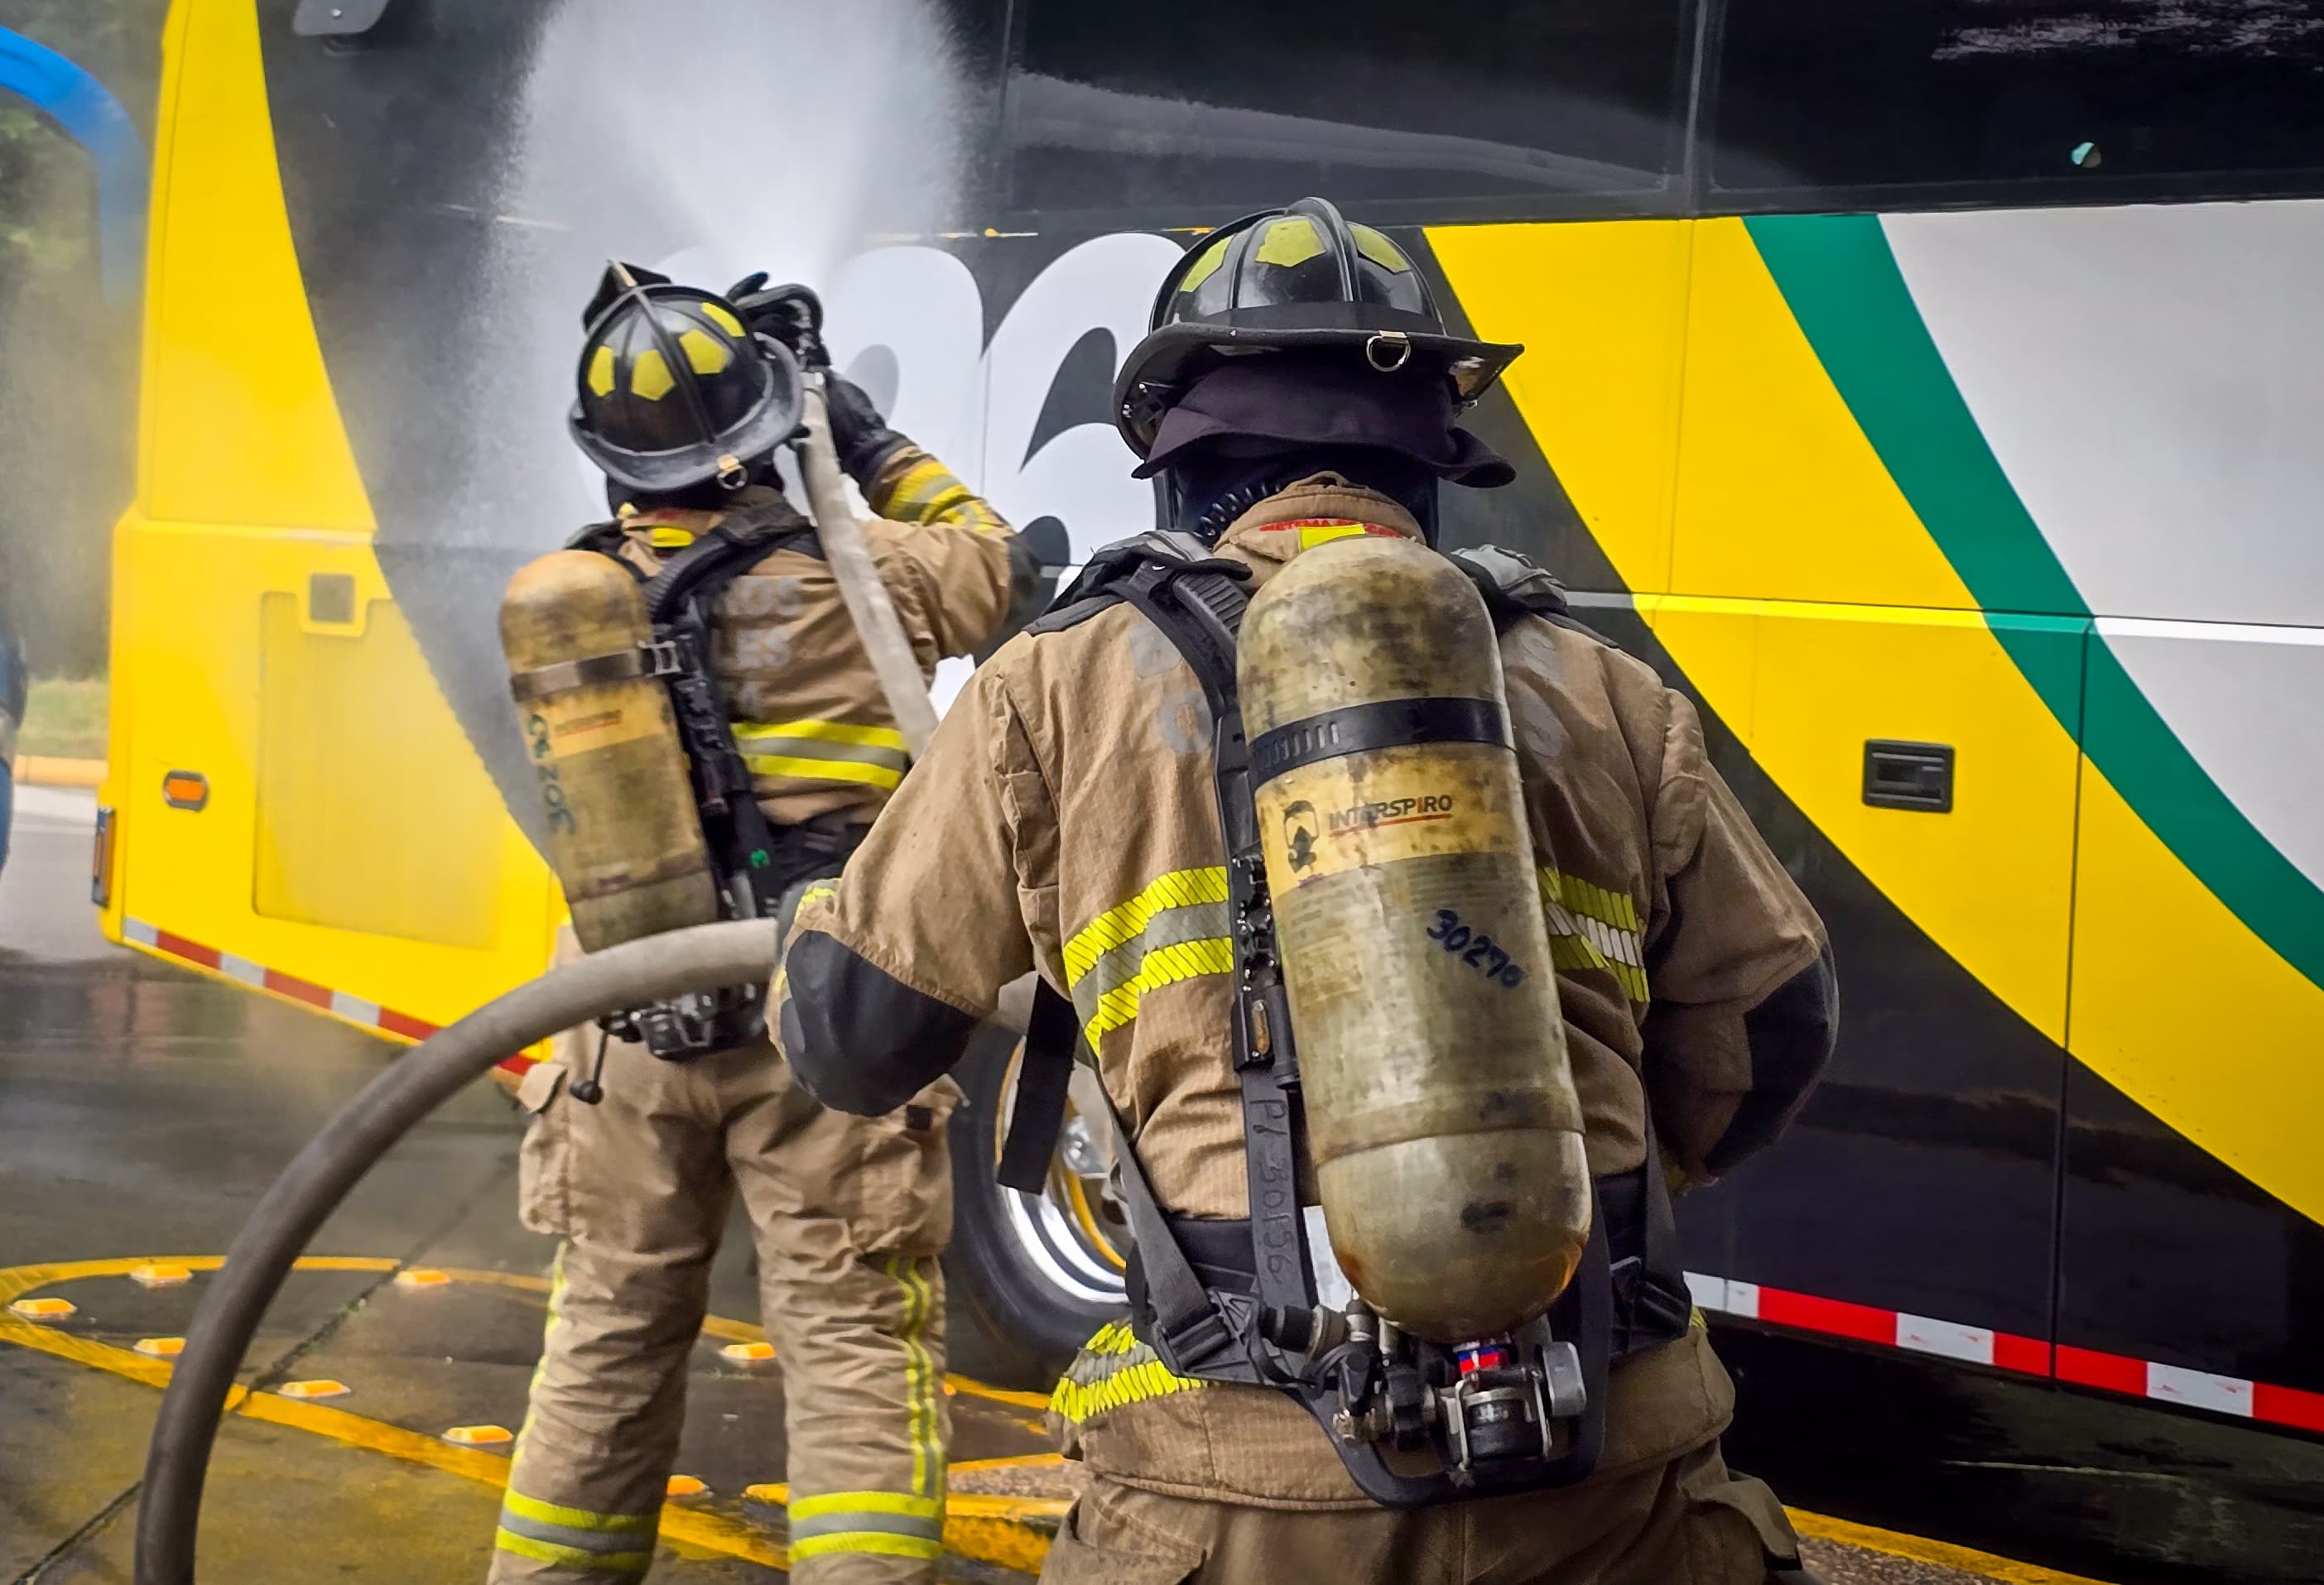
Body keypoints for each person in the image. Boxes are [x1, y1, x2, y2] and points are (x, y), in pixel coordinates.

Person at [767, 199, 1840, 1583]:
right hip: (1610, 1473)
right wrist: (1572, 1189)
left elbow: (854, 1042)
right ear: (1428, 464)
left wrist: (810, 921)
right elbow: (1779, 1026)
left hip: (1239, 1487)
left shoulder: (1059, 685)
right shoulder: (1610, 694)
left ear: (1179, 462)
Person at [490, 263, 1039, 1585]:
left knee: (606, 1341)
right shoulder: (879, 579)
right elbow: (1003, 565)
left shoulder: (563, 599)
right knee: (853, 1346)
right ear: (763, 428)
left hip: (621, 1023)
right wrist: (854, 431)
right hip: (825, 1018)